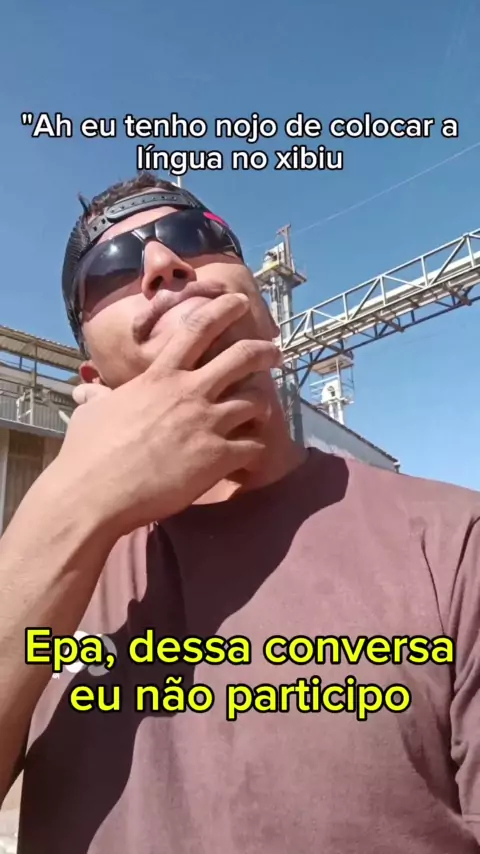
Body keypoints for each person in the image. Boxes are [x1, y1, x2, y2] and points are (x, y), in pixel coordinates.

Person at [1, 172, 480, 854]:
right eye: (109, 270)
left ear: (267, 313)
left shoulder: (456, 543)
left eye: (196, 235)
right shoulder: (40, 572)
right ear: (94, 379)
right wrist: (72, 505)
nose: (163, 262)